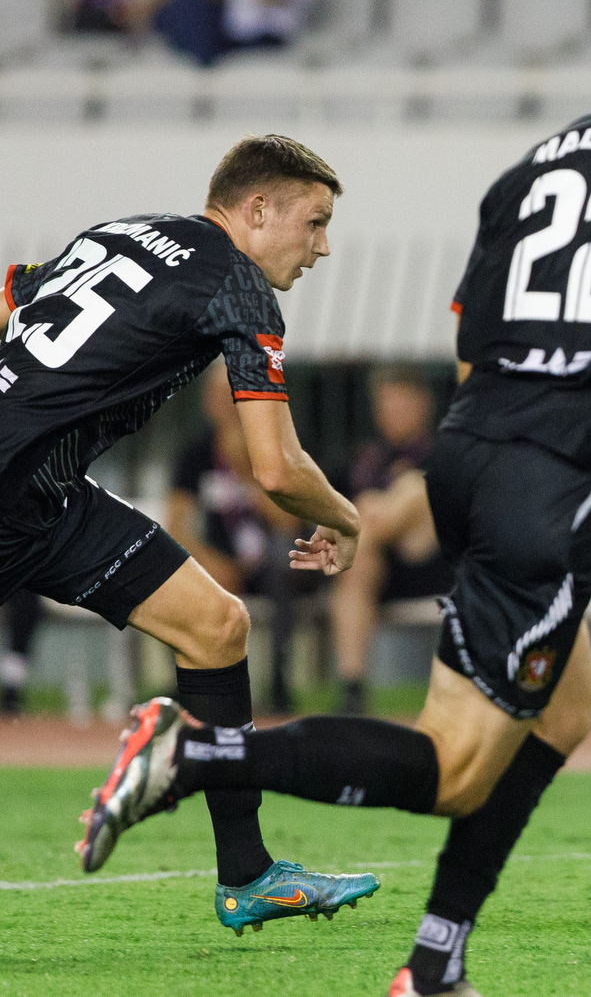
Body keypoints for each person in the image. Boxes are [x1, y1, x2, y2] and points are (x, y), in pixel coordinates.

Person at [84, 0, 591, 997]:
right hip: (553, 486)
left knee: (563, 713)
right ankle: (194, 759)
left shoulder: (533, 165)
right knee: (456, 764)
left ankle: (435, 962)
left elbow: (477, 342)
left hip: (466, 458)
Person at [2, 134, 377, 931]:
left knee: (216, 626)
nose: (323, 247)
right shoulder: (238, 287)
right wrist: (346, 516)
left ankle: (248, 874)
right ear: (257, 208)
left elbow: (13, 294)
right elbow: (276, 469)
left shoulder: (123, 232)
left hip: (48, 494)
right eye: (313, 223)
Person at [168, 361, 314, 713]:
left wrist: (246, 472)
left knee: (284, 564)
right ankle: (191, 683)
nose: (223, 404)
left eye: (230, 395)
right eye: (215, 395)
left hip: (272, 562)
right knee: (174, 576)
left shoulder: (277, 449)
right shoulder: (195, 454)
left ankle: (279, 681)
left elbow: (290, 524)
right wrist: (208, 562)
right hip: (220, 560)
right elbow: (177, 524)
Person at [331, 364, 453, 714]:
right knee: (358, 567)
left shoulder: (443, 452)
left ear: (423, 406)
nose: (392, 415)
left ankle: (357, 536)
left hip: (434, 566)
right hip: (376, 571)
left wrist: (371, 511)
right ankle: (352, 690)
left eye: (401, 405)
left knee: (413, 489)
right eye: (386, 407)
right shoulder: (364, 459)